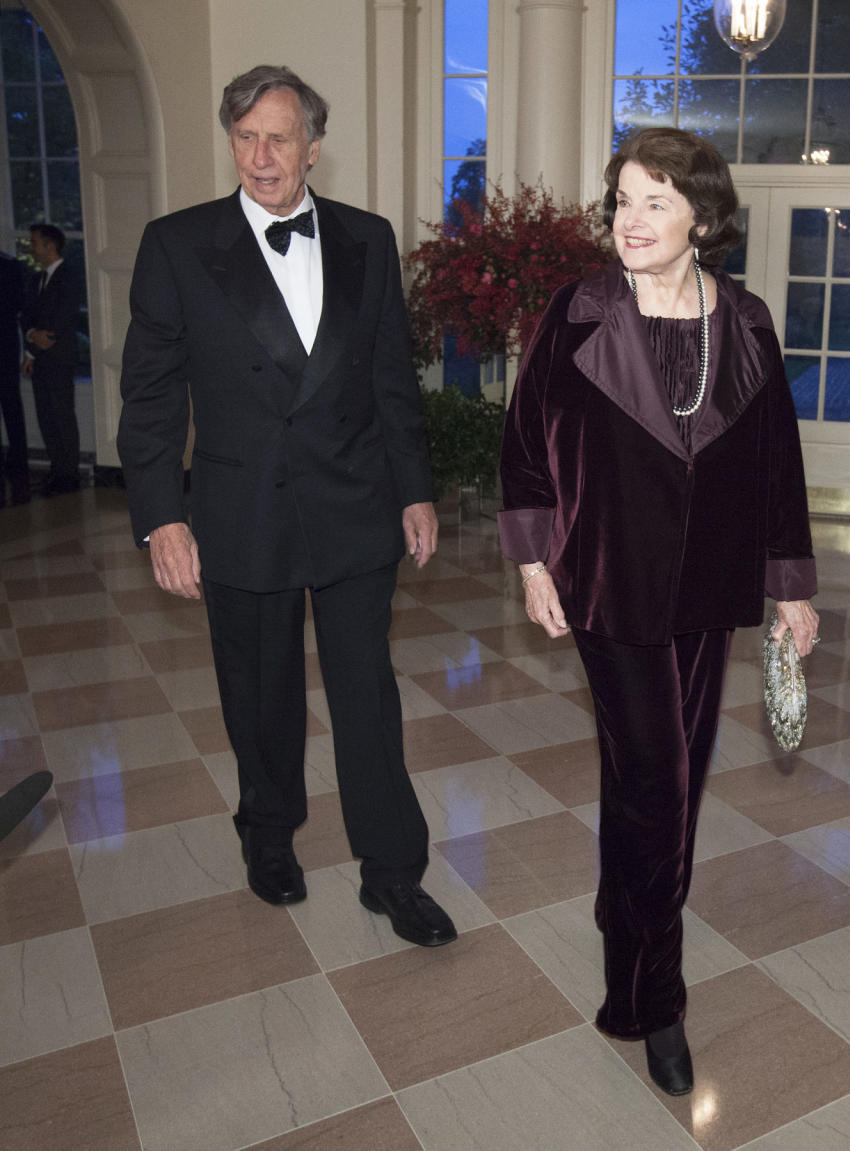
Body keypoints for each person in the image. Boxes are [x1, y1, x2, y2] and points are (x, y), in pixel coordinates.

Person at [498, 127, 818, 1096]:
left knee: (662, 777)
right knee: (660, 784)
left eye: (653, 202)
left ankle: (620, 914)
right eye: (622, 200)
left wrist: (792, 584)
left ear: (701, 218)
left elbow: (777, 466)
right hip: (606, 579)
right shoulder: (582, 310)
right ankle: (652, 997)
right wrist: (530, 558)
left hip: (708, 586)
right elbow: (525, 439)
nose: (627, 221)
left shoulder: (749, 322)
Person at [117, 65, 456, 949]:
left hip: (354, 505)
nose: (259, 157)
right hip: (240, 511)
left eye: (277, 138)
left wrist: (414, 487)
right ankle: (268, 838)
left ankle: (394, 874)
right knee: (259, 696)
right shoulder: (177, 244)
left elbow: (390, 380)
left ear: (314, 145)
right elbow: (151, 398)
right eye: (244, 138)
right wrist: (163, 516)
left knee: (367, 698)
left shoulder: (367, 240)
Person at [20, 223, 82, 496]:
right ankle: (57, 469)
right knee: (46, 415)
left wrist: (48, 336)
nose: (30, 248)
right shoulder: (36, 280)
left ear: (50, 246)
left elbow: (65, 314)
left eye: (34, 243)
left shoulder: (68, 276)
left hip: (59, 357)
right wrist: (32, 340)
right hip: (41, 358)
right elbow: (27, 317)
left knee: (62, 415)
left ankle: (69, 473)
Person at [0, 251, 30, 506]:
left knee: (10, 402)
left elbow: (18, 304)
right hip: (6, 341)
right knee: (11, 403)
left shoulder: (9, 266)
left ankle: (18, 460)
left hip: (5, 344)